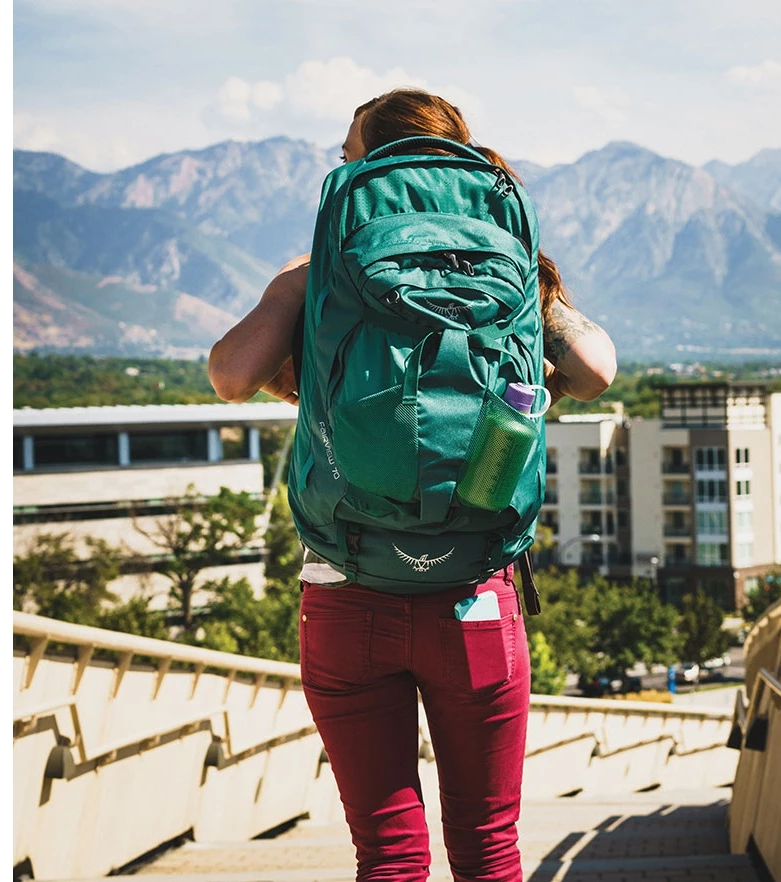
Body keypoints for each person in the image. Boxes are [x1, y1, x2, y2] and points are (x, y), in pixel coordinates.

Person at [209, 89, 616, 882]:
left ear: (372, 165)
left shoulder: (318, 273)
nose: (344, 164)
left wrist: (299, 337)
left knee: (389, 854)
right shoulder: (507, 264)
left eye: (347, 153)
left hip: (347, 590)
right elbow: (596, 369)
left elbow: (230, 376)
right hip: (475, 594)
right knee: (489, 847)